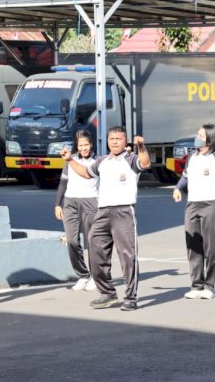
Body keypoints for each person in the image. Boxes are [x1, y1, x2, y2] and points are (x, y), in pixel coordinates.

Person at [61, 127, 151, 311]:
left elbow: (145, 163)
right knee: (95, 250)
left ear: (125, 141)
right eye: (112, 138)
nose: (115, 141)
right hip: (102, 212)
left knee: (127, 255)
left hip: (124, 211)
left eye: (119, 138)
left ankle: (130, 297)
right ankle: (107, 293)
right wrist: (70, 159)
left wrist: (141, 146)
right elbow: (86, 173)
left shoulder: (131, 160)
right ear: (107, 141)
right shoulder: (102, 161)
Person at [172, 125, 215, 299]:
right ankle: (196, 285)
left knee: (210, 245)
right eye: (197, 134)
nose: (197, 137)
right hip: (193, 203)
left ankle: (209, 286)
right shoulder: (192, 157)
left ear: (209, 139)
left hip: (213, 203)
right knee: (193, 244)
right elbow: (185, 176)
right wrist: (178, 188)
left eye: (201, 135)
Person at [55, 130, 99, 292]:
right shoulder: (69, 160)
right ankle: (83, 275)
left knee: (91, 241)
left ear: (91, 144)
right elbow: (63, 183)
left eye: (86, 144)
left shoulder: (97, 161)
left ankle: (95, 276)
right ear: (77, 146)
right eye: (81, 145)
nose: (84, 148)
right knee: (72, 241)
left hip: (91, 202)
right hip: (70, 202)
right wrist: (58, 204)